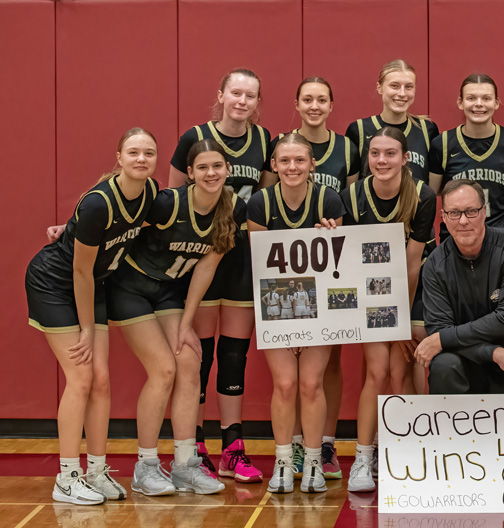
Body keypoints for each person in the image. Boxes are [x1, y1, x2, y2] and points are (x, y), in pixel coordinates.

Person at [26, 127, 159, 505]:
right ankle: (67, 477)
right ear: (118, 157)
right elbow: (79, 272)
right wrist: (86, 328)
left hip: (92, 284)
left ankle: (96, 471)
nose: (141, 159)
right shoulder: (99, 203)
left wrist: (66, 227)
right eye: (133, 152)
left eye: (148, 153)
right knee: (81, 377)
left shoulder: (150, 194)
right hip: (55, 283)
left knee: (101, 380)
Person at [107, 139, 241, 497]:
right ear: (190, 174)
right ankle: (145, 467)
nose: (211, 173)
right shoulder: (167, 202)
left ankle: (185, 466)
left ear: (227, 169)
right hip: (130, 288)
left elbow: (206, 268)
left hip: (168, 291)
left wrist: (186, 322)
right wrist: (69, 229)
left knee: (190, 361)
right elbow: (115, 219)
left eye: (217, 166)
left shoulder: (231, 208)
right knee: (163, 369)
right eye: (202, 168)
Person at [169, 68, 271, 482]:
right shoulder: (194, 137)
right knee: (201, 356)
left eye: (250, 95)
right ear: (222, 95)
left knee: (234, 355)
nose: (242, 101)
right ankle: (193, 447)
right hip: (200, 258)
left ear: (257, 102)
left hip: (241, 257)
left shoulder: (265, 141)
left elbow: (264, 204)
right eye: (235, 93)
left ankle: (233, 447)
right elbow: (172, 199)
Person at [247, 133, 346, 494]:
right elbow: (259, 262)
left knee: (310, 384)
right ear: (273, 165)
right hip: (276, 304)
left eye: (299, 160)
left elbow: (339, 261)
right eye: (285, 161)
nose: (292, 167)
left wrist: (332, 236)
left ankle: (316, 461)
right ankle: (285, 462)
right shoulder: (260, 203)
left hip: (320, 305)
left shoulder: (329, 199)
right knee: (286, 384)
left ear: (312, 164)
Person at [340, 127, 437, 493]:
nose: (382, 160)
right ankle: (363, 457)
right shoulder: (351, 194)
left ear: (405, 158)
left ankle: (407, 450)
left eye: (390, 153)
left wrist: (400, 319)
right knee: (377, 371)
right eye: (375, 153)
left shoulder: (422, 196)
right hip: (369, 289)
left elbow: (413, 263)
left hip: (412, 288)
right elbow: (344, 252)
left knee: (406, 368)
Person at [415, 179, 504, 427]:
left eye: (471, 211)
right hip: (471, 366)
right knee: (444, 364)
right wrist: (494, 353)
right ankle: (451, 452)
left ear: (484, 211)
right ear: (443, 216)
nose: (464, 221)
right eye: (455, 213)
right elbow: (439, 332)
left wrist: (443, 338)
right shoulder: (435, 264)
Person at [429, 73, 504, 236]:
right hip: (456, 236)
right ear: (460, 103)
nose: (478, 104)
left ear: (496, 103)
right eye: (471, 98)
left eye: (486, 98)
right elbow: (432, 191)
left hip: (501, 235)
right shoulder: (442, 144)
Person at [346, 59, 439, 185]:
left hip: (416, 204)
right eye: (394, 86)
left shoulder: (427, 129)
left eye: (408, 87)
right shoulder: (359, 129)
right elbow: (352, 187)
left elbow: (432, 189)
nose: (402, 93)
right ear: (379, 88)